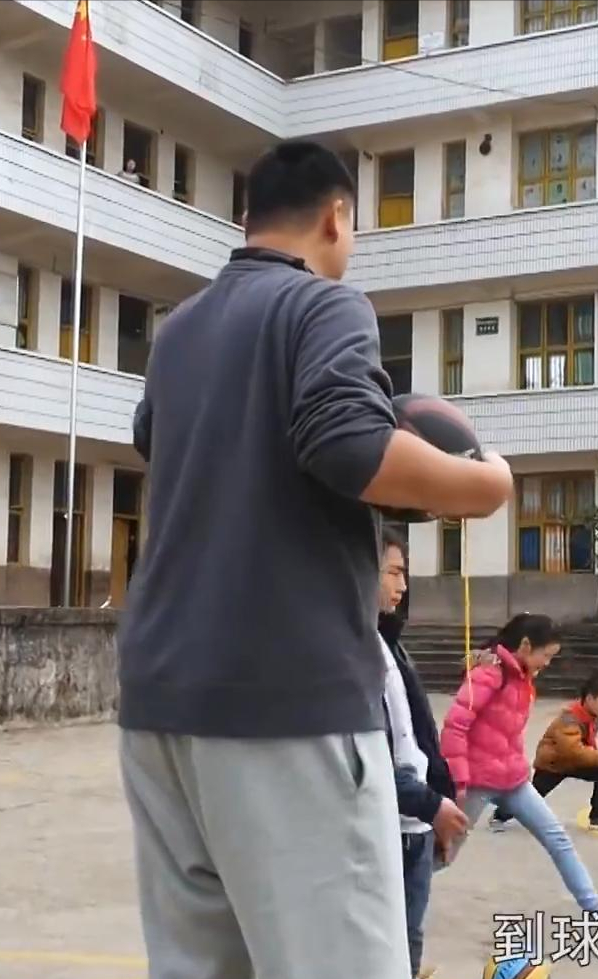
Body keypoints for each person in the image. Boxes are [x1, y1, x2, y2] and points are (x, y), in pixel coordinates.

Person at [113, 140, 515, 979]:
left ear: (245, 219)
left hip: (160, 702)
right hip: (284, 701)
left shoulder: (179, 331)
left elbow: (156, 438)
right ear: (337, 216)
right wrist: (484, 488)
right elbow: (345, 440)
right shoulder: (323, 305)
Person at [438, 614, 598, 921]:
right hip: (477, 782)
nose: (547, 663)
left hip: (513, 780)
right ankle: (396, 888)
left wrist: (520, 765)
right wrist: (460, 782)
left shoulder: (522, 676)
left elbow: (508, 731)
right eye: (546, 656)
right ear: (526, 645)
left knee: (557, 838)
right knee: (444, 853)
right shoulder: (488, 674)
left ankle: (596, 909)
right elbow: (454, 728)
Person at [375, 529, 468, 979]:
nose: (403, 584)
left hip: (418, 819)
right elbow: (369, 758)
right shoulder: (354, 650)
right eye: (394, 572)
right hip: (388, 820)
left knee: (409, 933)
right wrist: (431, 803)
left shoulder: (392, 644)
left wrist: (438, 796)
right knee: (381, 938)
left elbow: (419, 734)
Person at [490, 671, 598, 832]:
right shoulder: (570, 718)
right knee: (533, 797)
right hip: (553, 764)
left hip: (572, 761)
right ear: (589, 699)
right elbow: (572, 750)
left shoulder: (592, 715)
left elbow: (584, 745)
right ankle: (500, 815)